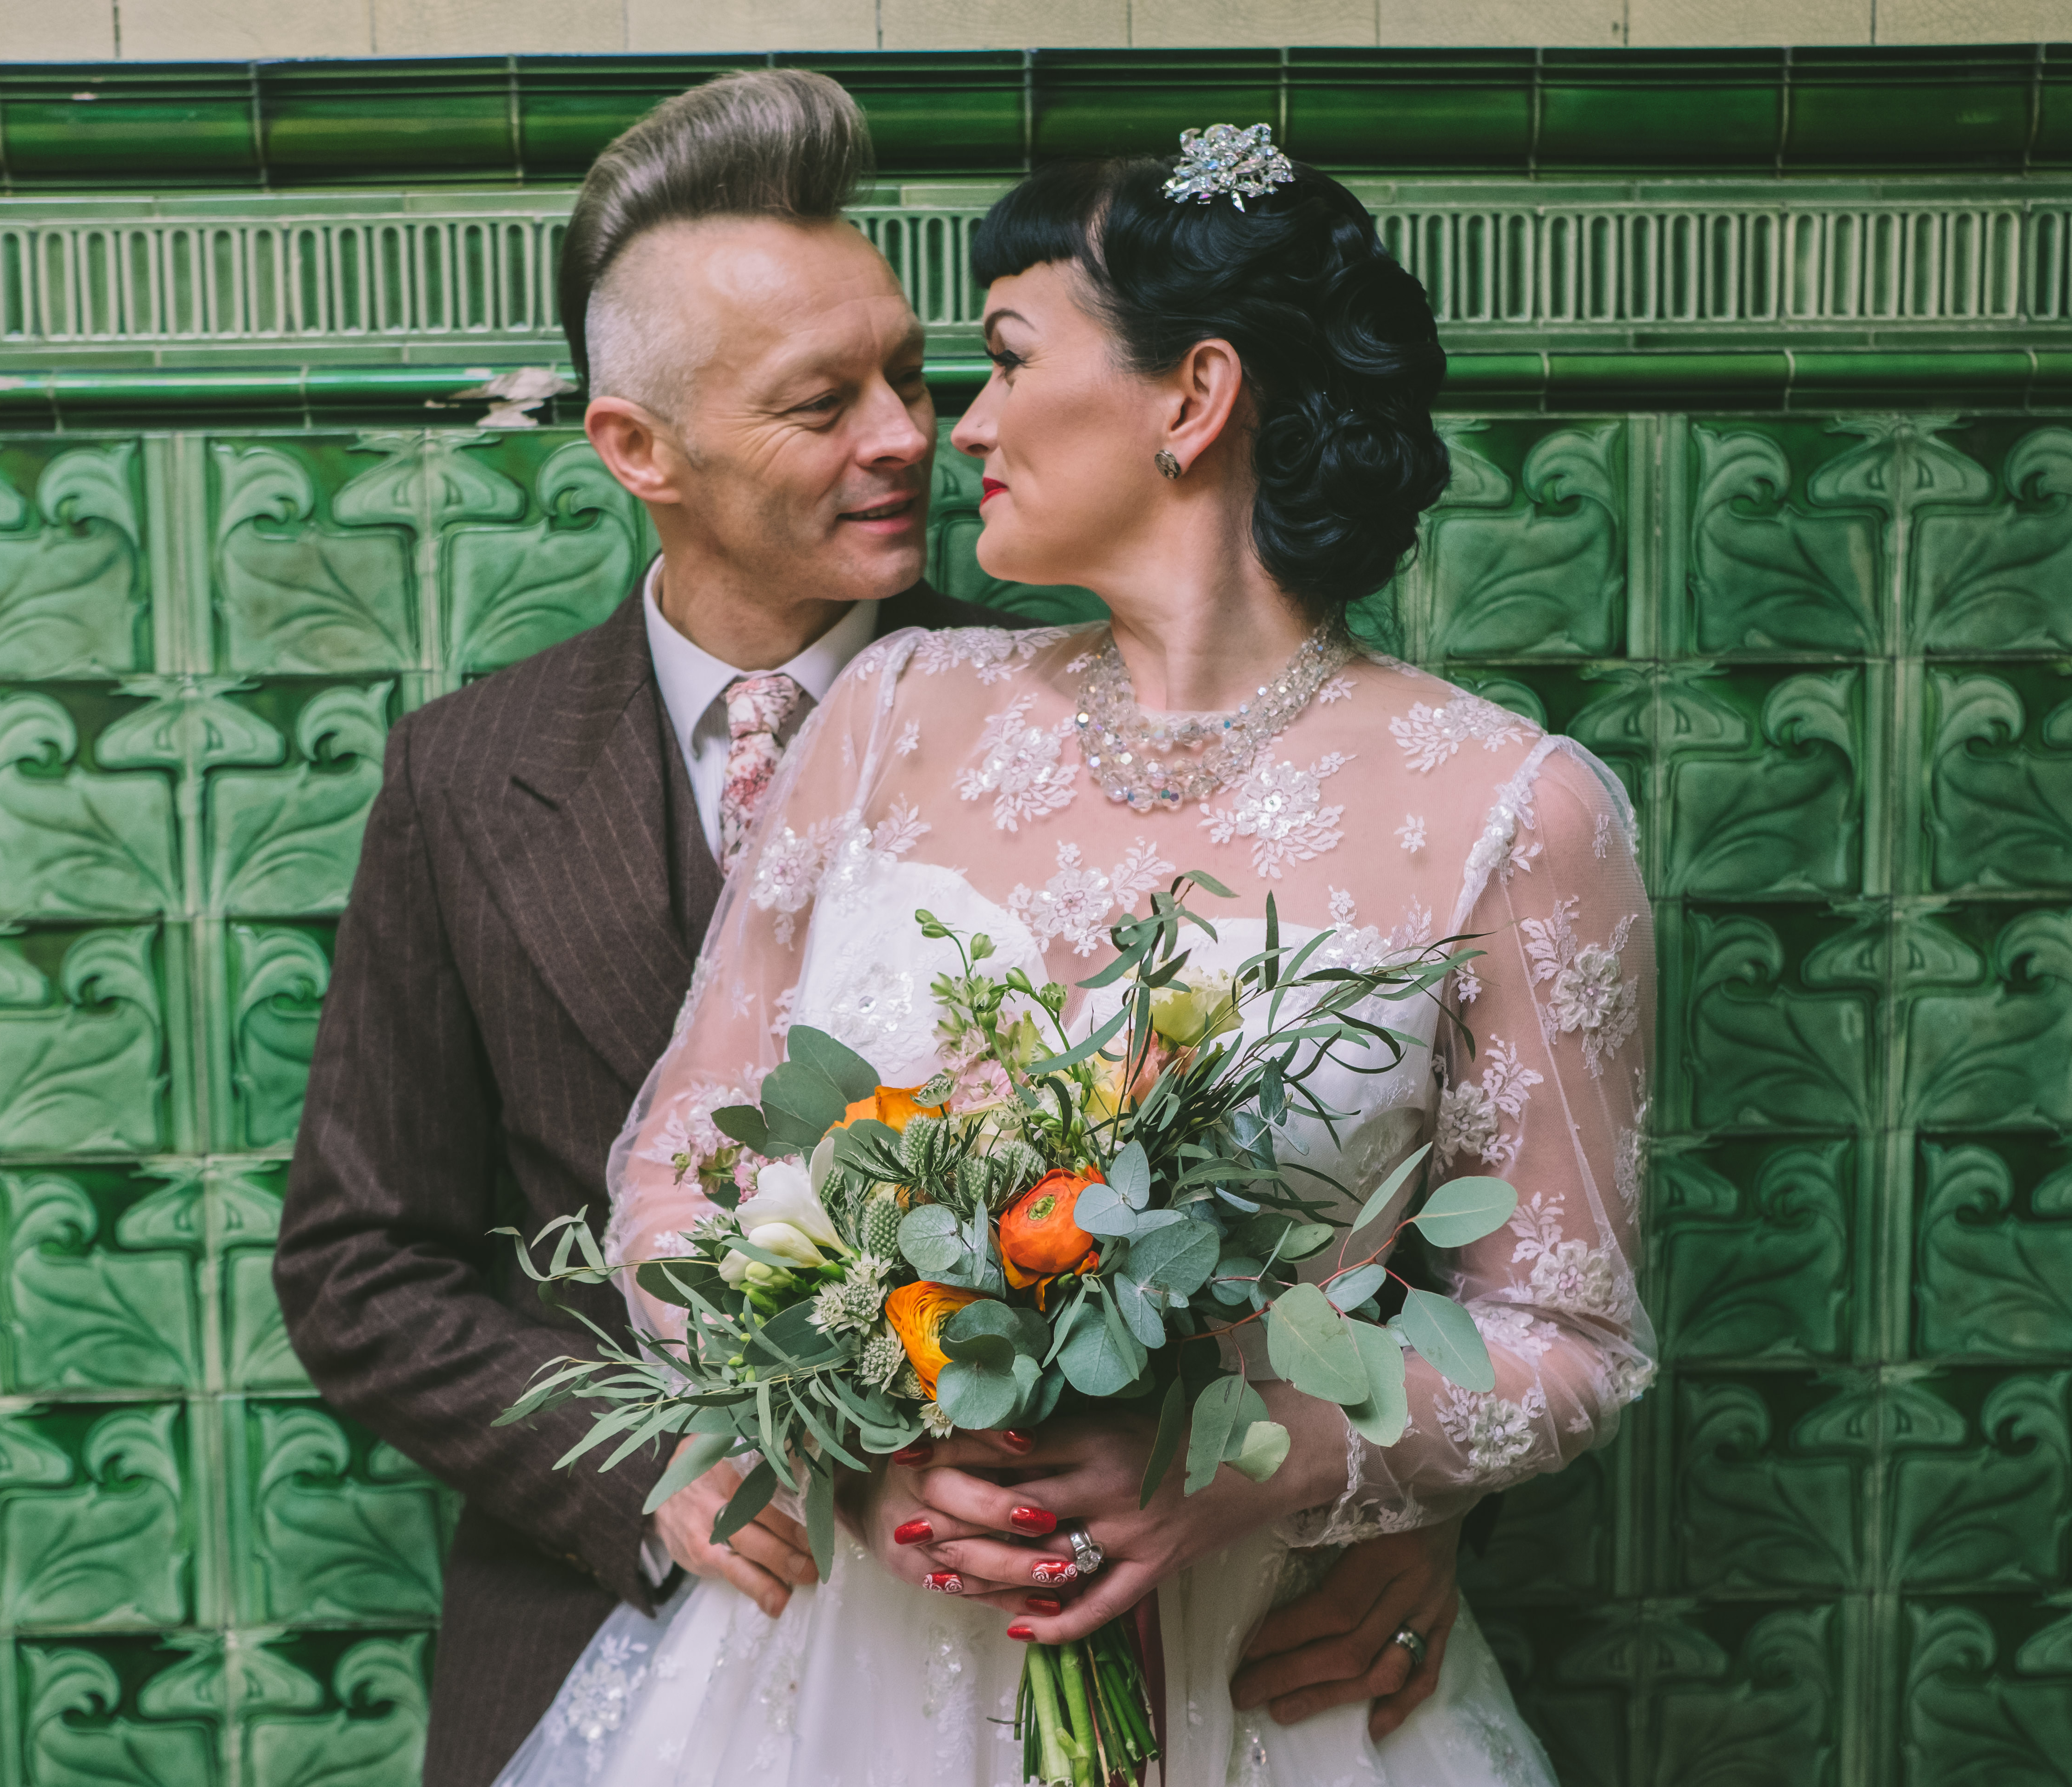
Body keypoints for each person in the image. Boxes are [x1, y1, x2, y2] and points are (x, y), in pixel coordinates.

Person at [275, 73, 1466, 1787]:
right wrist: (656, 1473)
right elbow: (359, 1261)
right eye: (821, 403)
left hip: (1144, 1643)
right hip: (632, 1626)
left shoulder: (1084, 707)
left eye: (913, 372)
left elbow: (1358, 1155)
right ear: (639, 450)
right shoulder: (465, 777)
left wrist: (1394, 1511)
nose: (911, 434)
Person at [497, 128, 1656, 1787]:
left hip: (1262, 1676)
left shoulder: (1510, 814)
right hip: (834, 1665)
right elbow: (679, 1173)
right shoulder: (893, 714)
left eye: (1006, 357)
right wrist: (844, 1432)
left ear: (1191, 398)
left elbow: (1566, 1332)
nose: (955, 425)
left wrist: (1248, 1461)